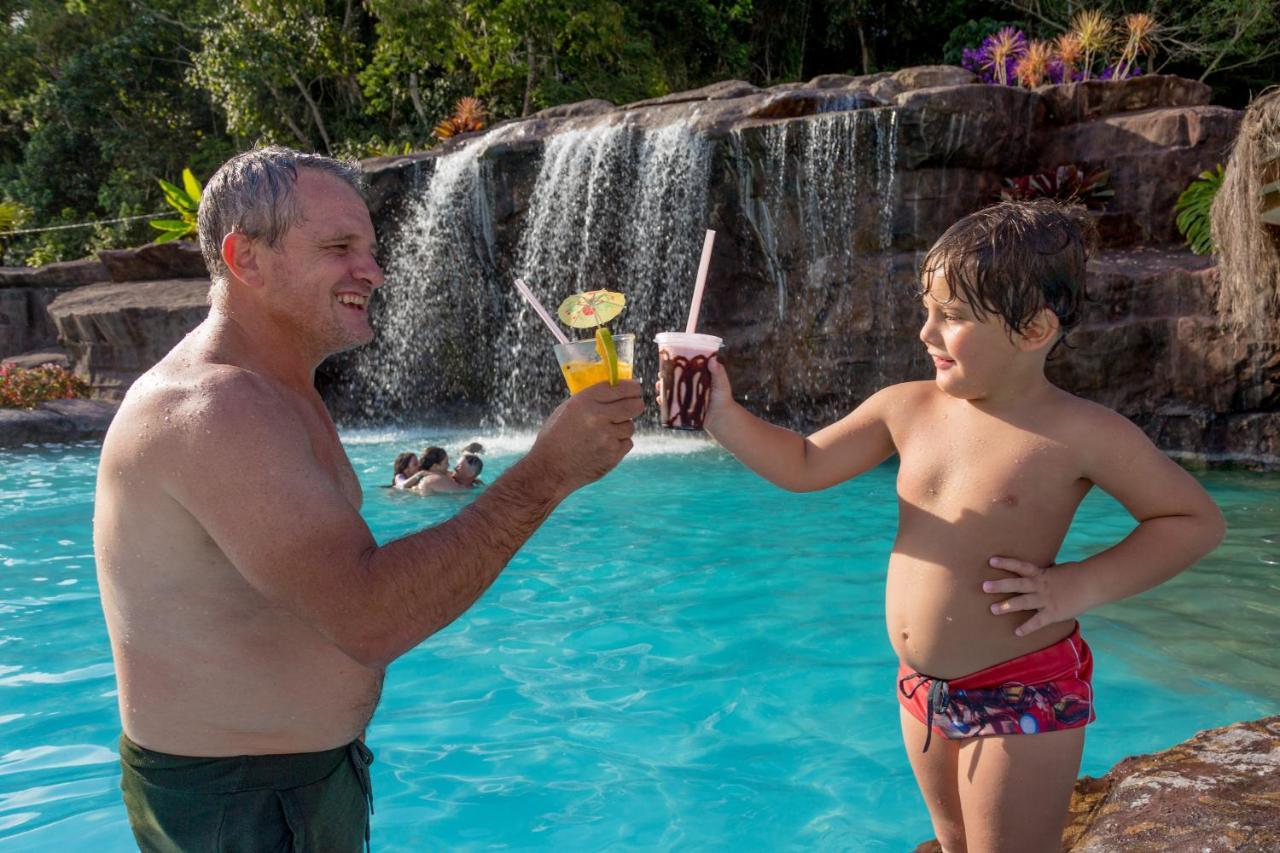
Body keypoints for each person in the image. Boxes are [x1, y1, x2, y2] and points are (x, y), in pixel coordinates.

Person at [93, 145, 644, 852]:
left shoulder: (279, 389)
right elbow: (369, 615)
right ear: (246, 258)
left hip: (295, 781)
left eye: (371, 249)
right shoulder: (214, 407)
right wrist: (546, 473)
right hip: (237, 803)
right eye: (338, 247)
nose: (373, 271)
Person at [699, 201, 1225, 852]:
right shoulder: (906, 408)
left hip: (1022, 686)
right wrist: (722, 416)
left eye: (951, 317)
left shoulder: (1080, 433)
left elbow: (1193, 519)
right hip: (920, 687)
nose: (925, 332)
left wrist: (1077, 587)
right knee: (951, 843)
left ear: (1033, 330)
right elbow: (805, 463)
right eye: (928, 310)